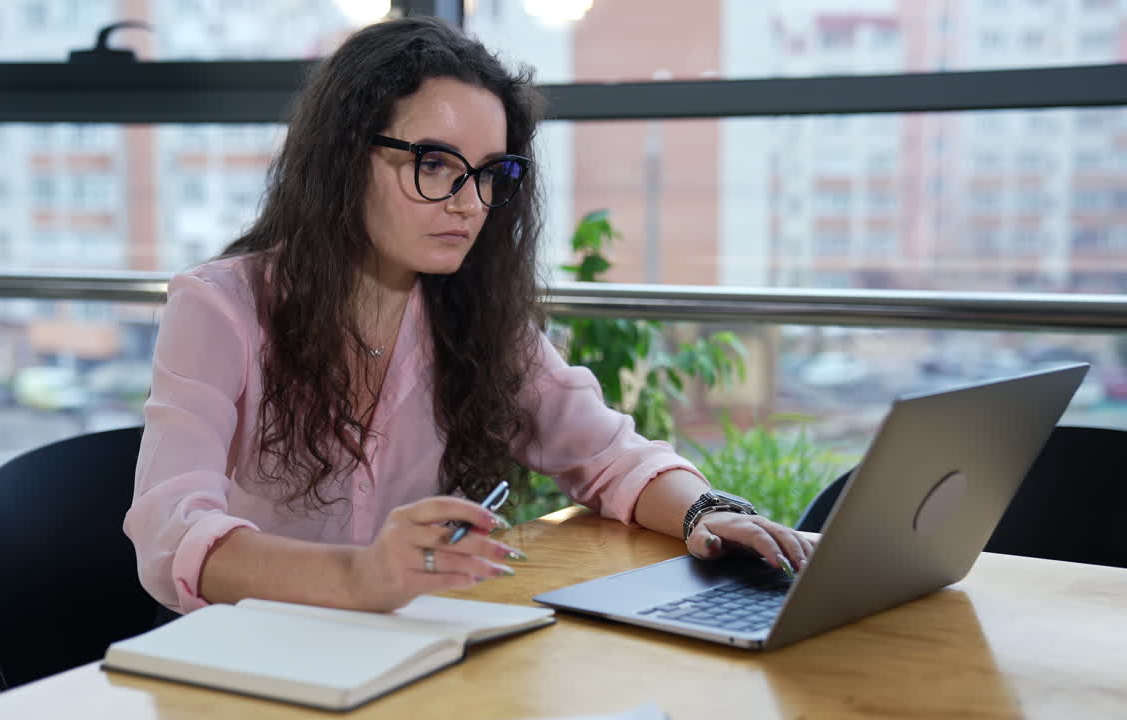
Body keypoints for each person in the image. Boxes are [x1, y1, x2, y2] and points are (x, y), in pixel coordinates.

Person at [125, 16, 815, 618]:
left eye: (489, 173)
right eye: (435, 163)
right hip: (243, 659)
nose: (468, 203)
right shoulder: (220, 306)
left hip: (402, 652)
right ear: (342, 160)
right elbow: (170, 531)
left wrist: (704, 510)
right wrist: (361, 577)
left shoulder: (470, 314)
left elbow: (606, 454)